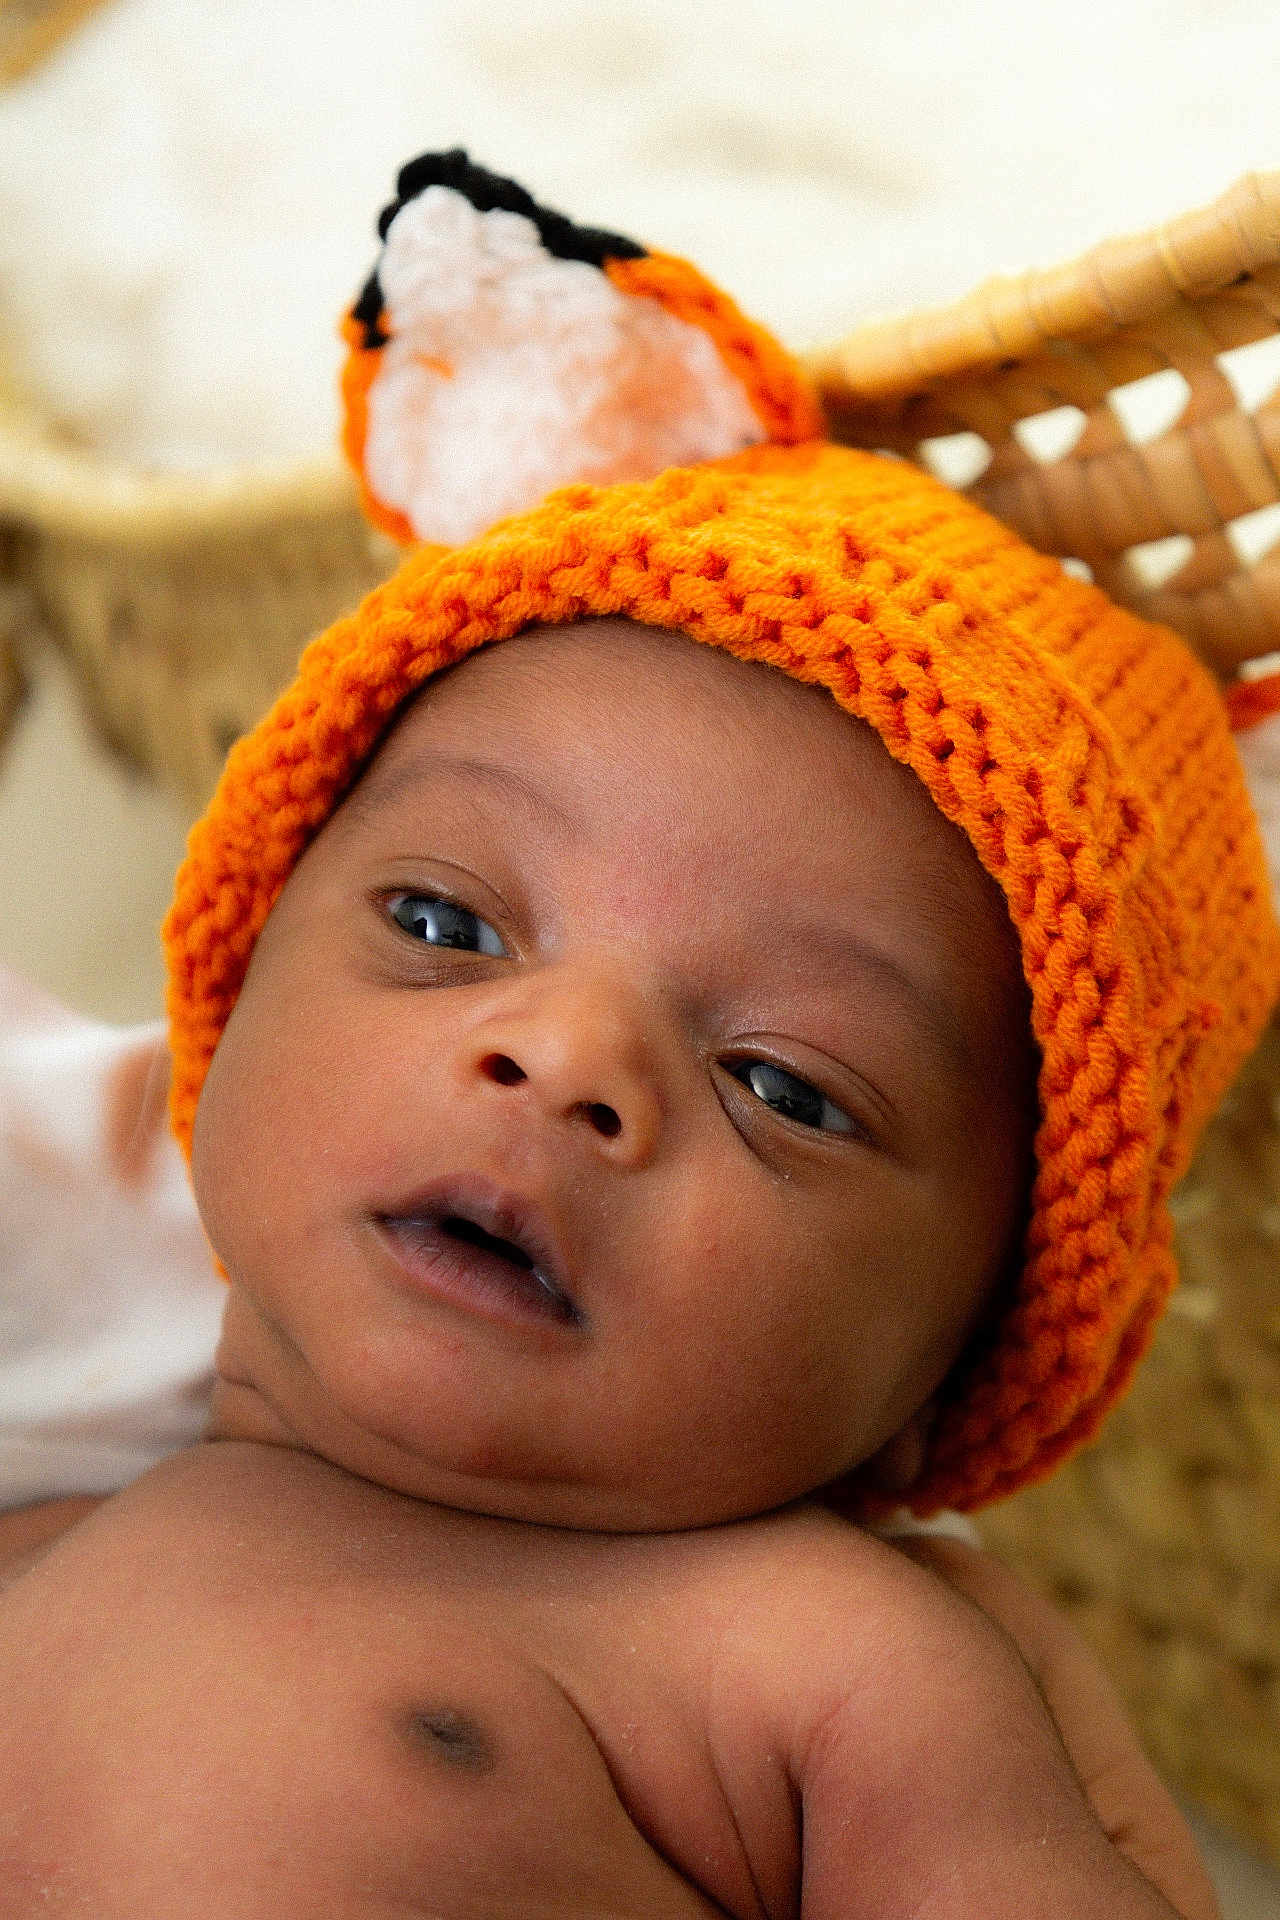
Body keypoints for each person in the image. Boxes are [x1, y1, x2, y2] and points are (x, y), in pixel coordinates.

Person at [2, 153, 1276, 1917]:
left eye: (783, 1086)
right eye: (446, 927)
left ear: (952, 1373)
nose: (565, 1057)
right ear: (231, 994)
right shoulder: (60, 1513)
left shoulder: (816, 1665)